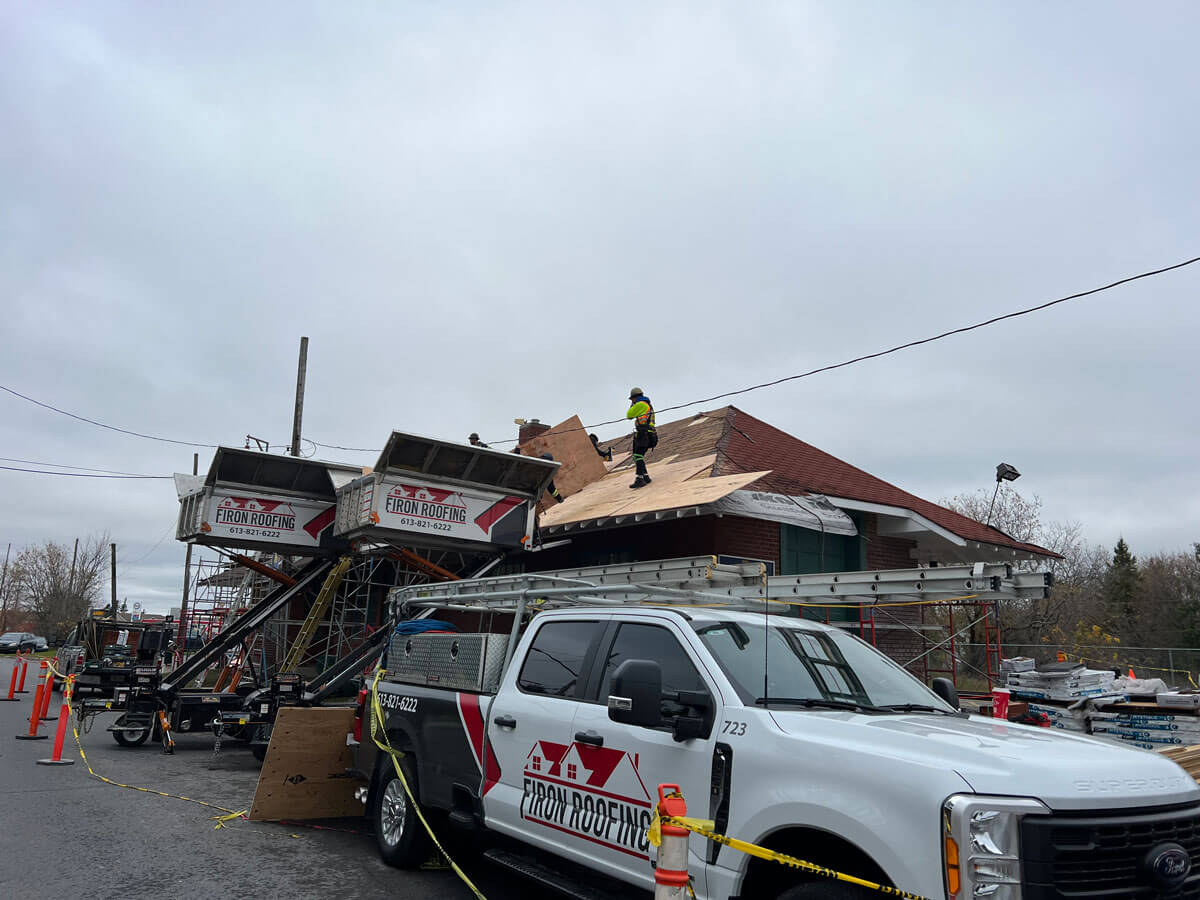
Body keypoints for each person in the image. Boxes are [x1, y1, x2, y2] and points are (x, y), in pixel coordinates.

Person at [625, 387, 656, 488]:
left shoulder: (640, 404)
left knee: (638, 455)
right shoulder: (648, 405)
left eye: (632, 399)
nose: (632, 401)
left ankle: (640, 479)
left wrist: (632, 405)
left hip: (643, 433)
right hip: (649, 434)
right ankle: (645, 476)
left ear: (635, 397)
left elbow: (629, 415)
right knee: (638, 455)